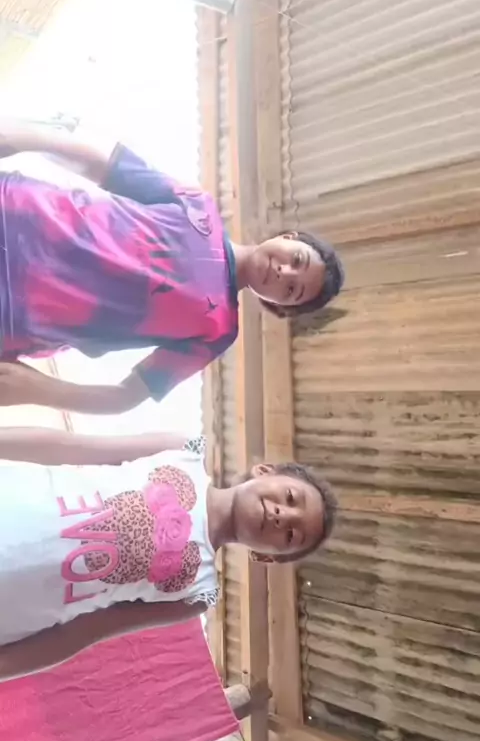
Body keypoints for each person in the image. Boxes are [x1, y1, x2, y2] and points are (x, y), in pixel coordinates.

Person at [0, 123, 344, 414]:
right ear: (288, 237)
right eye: (297, 260)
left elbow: (126, 396)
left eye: (292, 290)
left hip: (11, 318)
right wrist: (24, 137)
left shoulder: (217, 331)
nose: (284, 273)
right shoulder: (198, 207)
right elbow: (104, 165)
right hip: (14, 211)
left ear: (279, 306)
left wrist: (41, 391)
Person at [0, 427, 337, 681]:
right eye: (291, 498)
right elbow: (67, 447)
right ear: (265, 471)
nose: (282, 516)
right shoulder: (181, 452)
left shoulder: (195, 593)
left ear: (266, 558)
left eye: (290, 535)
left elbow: (81, 633)